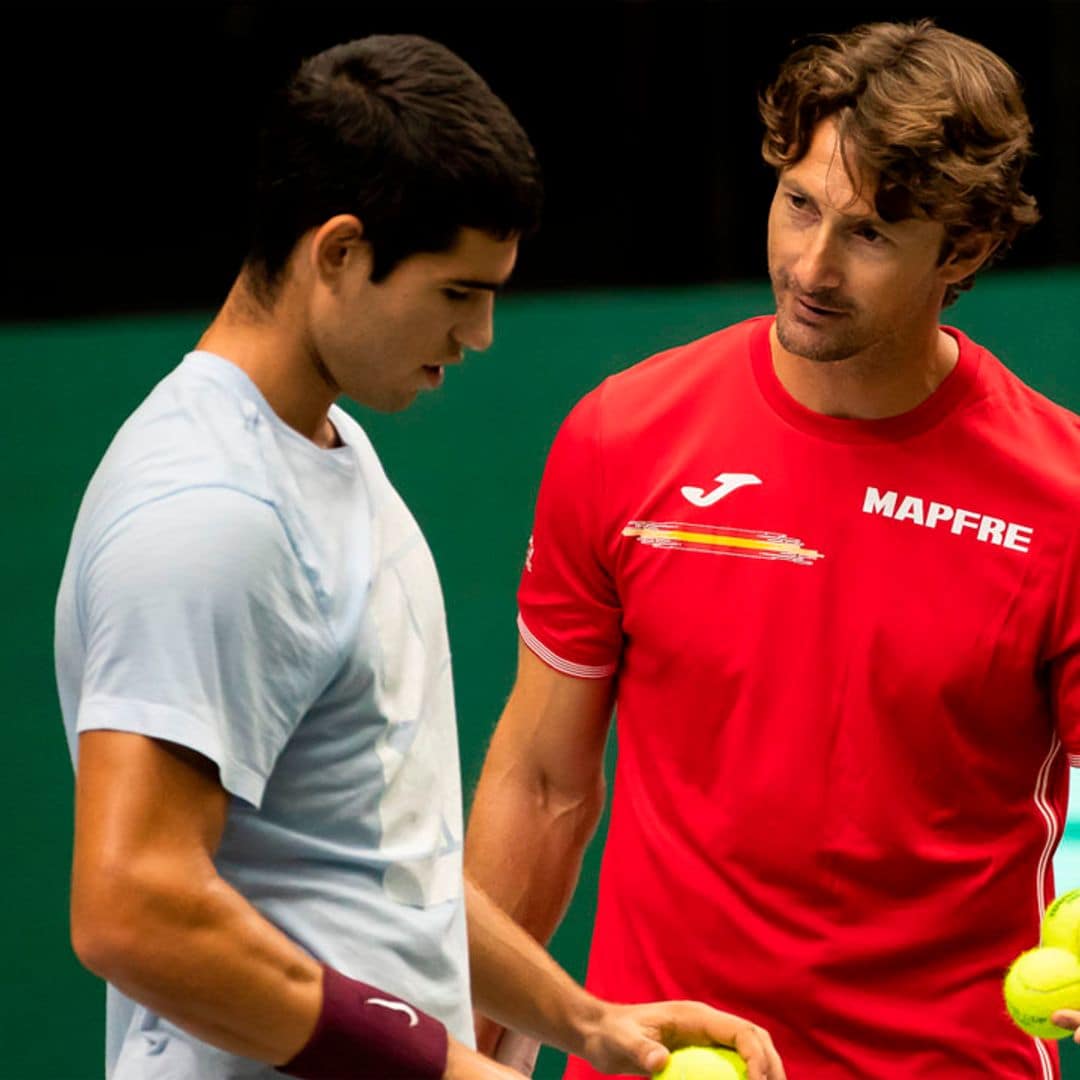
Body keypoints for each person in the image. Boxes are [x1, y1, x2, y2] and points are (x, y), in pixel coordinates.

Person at [54, 33, 785, 1080]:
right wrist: (442, 1068)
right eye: (457, 293)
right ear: (339, 253)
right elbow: (132, 910)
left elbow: (381, 875)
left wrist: (585, 1020)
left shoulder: (329, 448)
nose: (482, 333)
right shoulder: (206, 510)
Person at [464, 18, 1080, 1080]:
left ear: (966, 250)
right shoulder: (622, 436)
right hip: (666, 1063)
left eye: (873, 234)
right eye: (800, 204)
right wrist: (467, 1047)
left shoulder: (1063, 499)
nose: (812, 265)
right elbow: (542, 784)